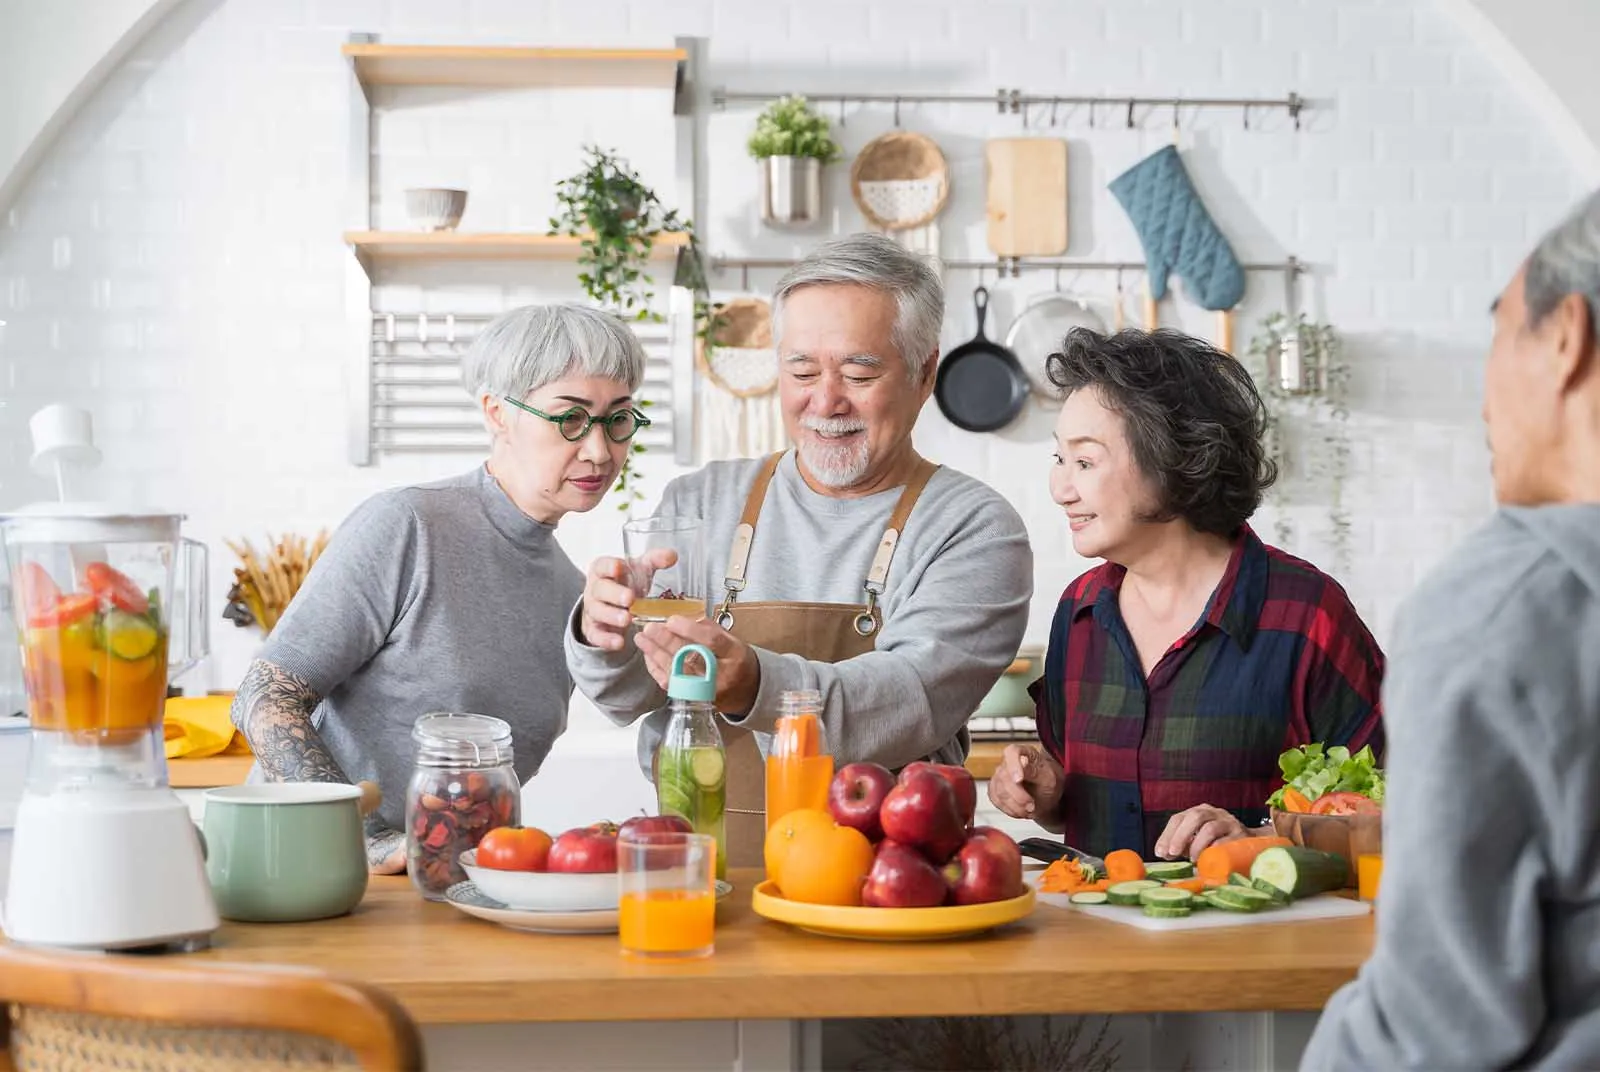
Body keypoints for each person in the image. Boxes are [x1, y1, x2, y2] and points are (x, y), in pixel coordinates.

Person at [566, 232, 1033, 866]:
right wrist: (602, 633)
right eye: (802, 370)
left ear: (925, 374)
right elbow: (628, 699)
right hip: (701, 874)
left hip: (888, 887)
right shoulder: (701, 502)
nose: (826, 400)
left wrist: (754, 682)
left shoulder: (973, 527)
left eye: (860, 371)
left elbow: (909, 702)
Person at [1303, 191, 1600, 1069]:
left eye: (1501, 332)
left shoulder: (1503, 613)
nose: (1483, 396)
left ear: (1565, 339)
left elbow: (1433, 1029)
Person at [231, 303, 649, 873]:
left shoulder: (569, 596)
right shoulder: (407, 526)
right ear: (497, 413)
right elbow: (264, 694)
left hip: (436, 888)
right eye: (571, 419)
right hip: (302, 869)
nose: (600, 451)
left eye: (617, 420)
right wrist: (366, 837)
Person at [987, 328, 1386, 861]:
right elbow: (1075, 805)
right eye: (1059, 460)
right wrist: (1045, 789)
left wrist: (1258, 840)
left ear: (1173, 460)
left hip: (1254, 940)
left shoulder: (1306, 614)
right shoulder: (1079, 610)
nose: (1061, 488)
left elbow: (1399, 807)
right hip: (1095, 940)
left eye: (1085, 462)